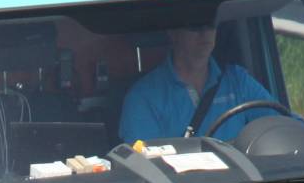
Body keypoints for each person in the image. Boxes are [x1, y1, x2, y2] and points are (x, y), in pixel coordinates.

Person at [117, 23, 276, 143]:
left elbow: (285, 127)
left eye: (210, 25)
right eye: (195, 26)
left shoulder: (237, 80)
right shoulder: (143, 97)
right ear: (173, 33)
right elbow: (146, 167)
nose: (205, 33)